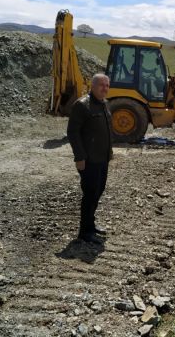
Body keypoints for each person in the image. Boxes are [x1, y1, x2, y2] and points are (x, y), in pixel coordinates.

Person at [67, 74, 113, 244]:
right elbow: (73, 132)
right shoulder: (82, 105)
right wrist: (79, 157)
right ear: (93, 86)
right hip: (89, 160)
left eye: (107, 85)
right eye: (101, 85)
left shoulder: (105, 104)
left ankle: (91, 225)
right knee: (90, 194)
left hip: (102, 158)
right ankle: (84, 232)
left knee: (98, 192)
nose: (105, 88)